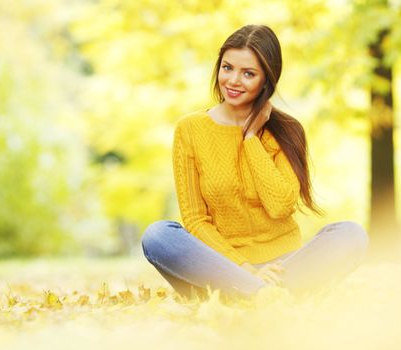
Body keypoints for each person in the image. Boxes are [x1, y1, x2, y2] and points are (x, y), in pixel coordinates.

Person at [141, 24, 369, 299]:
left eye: (248, 73)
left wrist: (250, 137)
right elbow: (196, 219)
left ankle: (251, 298)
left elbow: (280, 205)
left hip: (286, 268)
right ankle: (261, 295)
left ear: (266, 81)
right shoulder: (190, 129)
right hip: (222, 268)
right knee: (157, 235)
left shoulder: (286, 131)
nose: (233, 81)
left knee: (351, 234)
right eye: (227, 68)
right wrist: (244, 269)